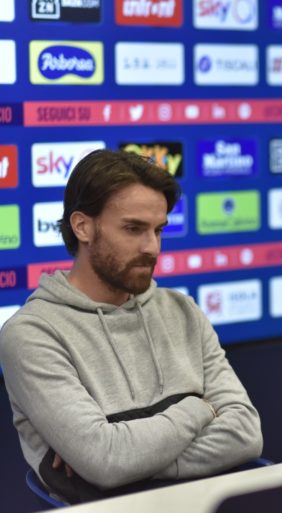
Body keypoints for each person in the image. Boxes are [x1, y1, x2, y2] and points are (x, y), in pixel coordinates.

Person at [0, 149, 263, 503]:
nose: (152, 248)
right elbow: (107, 460)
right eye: (133, 229)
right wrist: (201, 409)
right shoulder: (31, 334)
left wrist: (127, 459)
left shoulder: (181, 310)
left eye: (158, 230)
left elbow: (246, 434)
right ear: (83, 226)